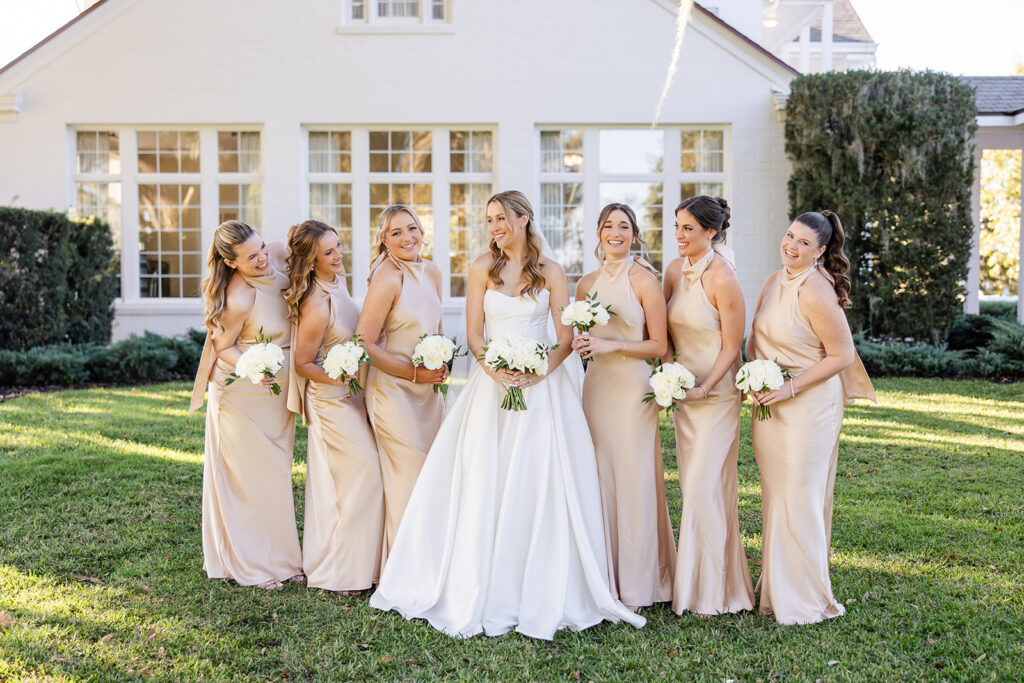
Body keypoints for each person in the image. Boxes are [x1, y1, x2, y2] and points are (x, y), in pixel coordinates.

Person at [369, 190, 645, 639]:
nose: (495, 226)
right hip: (492, 388)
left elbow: (564, 336)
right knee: (485, 478)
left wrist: (539, 372)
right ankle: (480, 580)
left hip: (544, 389)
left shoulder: (551, 271)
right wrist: (495, 370)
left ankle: (543, 581)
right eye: (490, 220)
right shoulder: (482, 267)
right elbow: (474, 334)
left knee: (542, 478)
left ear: (524, 219)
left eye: (501, 218)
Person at [747, 210, 875, 625]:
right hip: (770, 401)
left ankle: (803, 597)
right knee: (776, 493)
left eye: (803, 242)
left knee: (799, 494)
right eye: (790, 236)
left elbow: (841, 355)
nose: (791, 246)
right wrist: (754, 376)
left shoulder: (816, 290)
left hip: (810, 405)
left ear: (820, 251)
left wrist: (789, 388)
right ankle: (776, 586)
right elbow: (755, 339)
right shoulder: (773, 281)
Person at [573, 203, 675, 611]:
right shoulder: (585, 284)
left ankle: (637, 583)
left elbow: (659, 346)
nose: (615, 233)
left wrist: (610, 344)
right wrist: (583, 344)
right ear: (599, 232)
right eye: (608, 226)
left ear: (634, 234)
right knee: (599, 477)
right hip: (597, 388)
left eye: (624, 226)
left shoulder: (645, 281)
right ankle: (605, 578)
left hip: (633, 389)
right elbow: (581, 338)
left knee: (634, 477)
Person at [190, 220, 302, 589]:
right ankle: (252, 565)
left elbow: (301, 246)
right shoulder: (239, 298)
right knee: (249, 481)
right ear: (231, 263)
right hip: (242, 395)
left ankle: (284, 560)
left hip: (276, 395)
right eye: (251, 257)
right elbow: (223, 348)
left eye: (261, 249)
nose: (262, 259)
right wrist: (253, 368)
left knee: (276, 475)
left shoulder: (277, 255)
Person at [662, 196, 754, 616]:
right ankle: (698, 586)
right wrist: (670, 376)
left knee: (704, 486)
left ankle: (718, 591)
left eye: (688, 229)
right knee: (694, 488)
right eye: (677, 226)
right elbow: (664, 332)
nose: (679, 235)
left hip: (716, 396)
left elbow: (732, 346)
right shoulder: (672, 271)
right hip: (684, 396)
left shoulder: (723, 278)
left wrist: (705, 387)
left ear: (711, 232)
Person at [286, 219, 383, 593]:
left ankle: (363, 565)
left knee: (356, 480)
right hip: (330, 402)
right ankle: (339, 572)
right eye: (328, 252)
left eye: (338, 245)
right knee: (361, 476)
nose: (339, 254)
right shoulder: (316, 302)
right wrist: (337, 376)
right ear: (311, 260)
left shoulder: (338, 282)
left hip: (353, 396)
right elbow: (303, 363)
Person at [355, 205, 447, 567]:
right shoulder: (388, 278)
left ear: (422, 231)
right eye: (396, 233)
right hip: (393, 393)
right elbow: (364, 344)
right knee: (407, 482)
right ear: (384, 240)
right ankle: (402, 570)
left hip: (428, 396)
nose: (407, 238)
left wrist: (440, 359)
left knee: (431, 480)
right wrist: (414, 374)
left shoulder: (433, 272)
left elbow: (435, 326)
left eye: (412, 229)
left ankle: (430, 565)